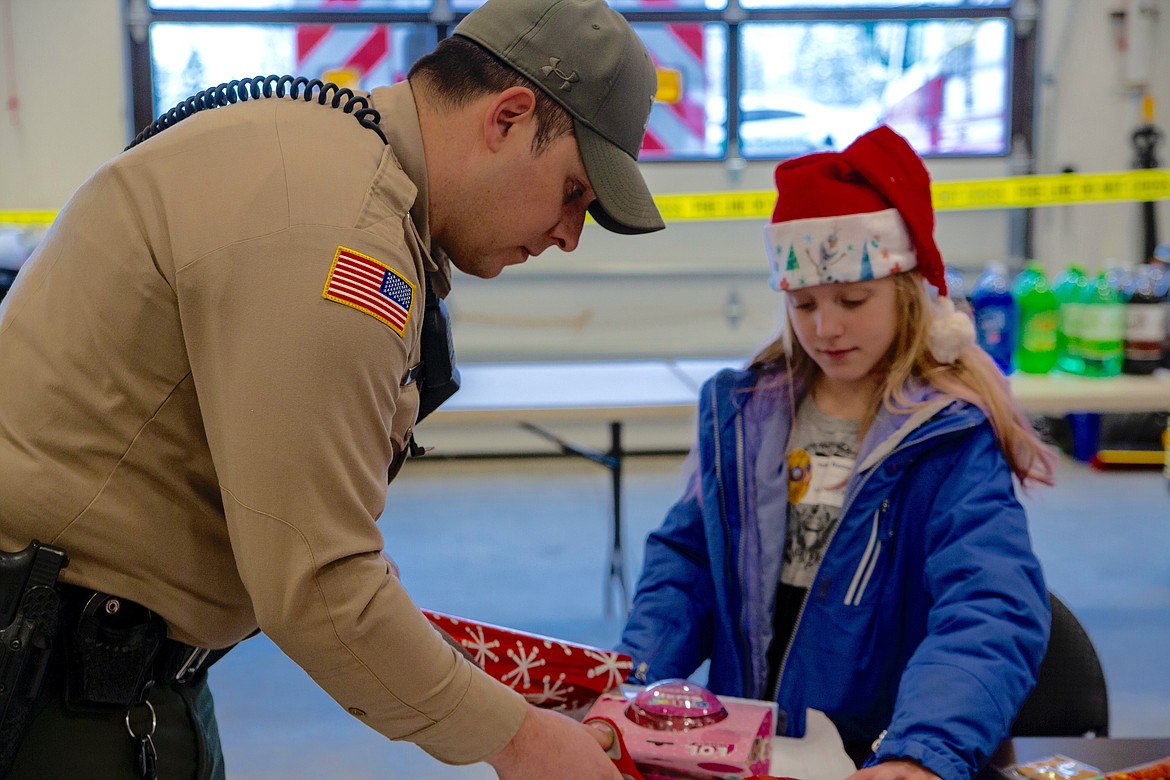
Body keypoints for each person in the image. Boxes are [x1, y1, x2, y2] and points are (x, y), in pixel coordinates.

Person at [0, 0, 662, 776]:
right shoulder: (338, 235)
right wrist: (519, 739)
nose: (569, 233)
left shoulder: (323, 155)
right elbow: (320, 584)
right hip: (55, 692)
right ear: (509, 118)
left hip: (113, 663)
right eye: (575, 191)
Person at [617, 125, 1056, 780]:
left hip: (883, 749)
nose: (826, 327)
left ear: (906, 291)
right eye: (803, 303)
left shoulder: (949, 437)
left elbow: (989, 606)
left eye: (853, 300)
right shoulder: (744, 417)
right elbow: (686, 566)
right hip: (762, 750)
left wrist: (920, 754)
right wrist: (630, 685)